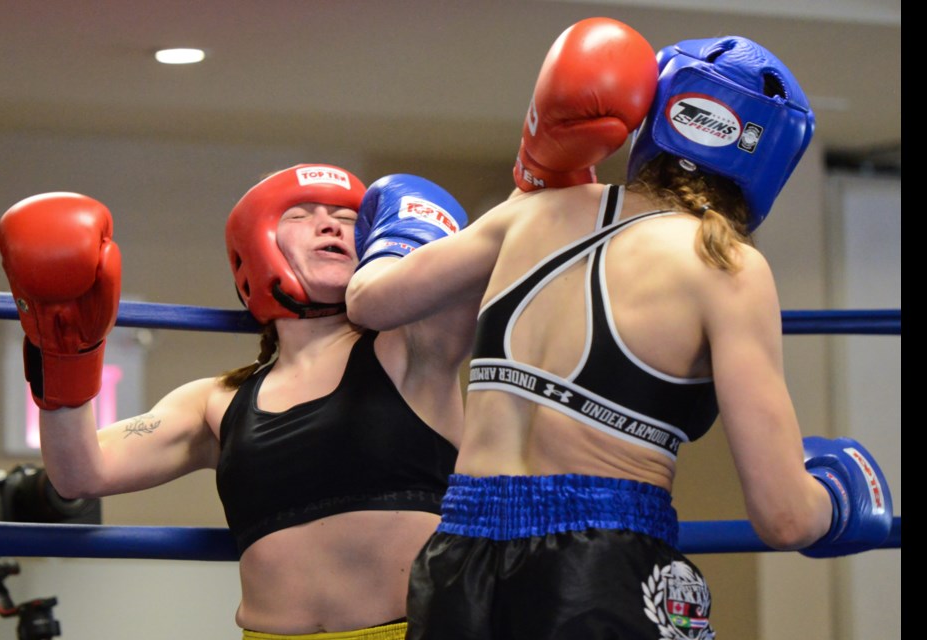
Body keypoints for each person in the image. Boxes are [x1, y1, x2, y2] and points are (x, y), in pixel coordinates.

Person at [345, 21, 894, 640]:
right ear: (772, 159)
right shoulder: (727, 266)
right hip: (600, 569)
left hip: (456, 560)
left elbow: (368, 302)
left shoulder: (531, 209)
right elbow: (785, 517)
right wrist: (843, 497)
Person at [0, 164, 475, 639]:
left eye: (348, 218)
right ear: (258, 247)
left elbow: (489, 259)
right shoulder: (217, 401)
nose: (329, 224)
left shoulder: (413, 346)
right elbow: (79, 471)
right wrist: (62, 349)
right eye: (302, 214)